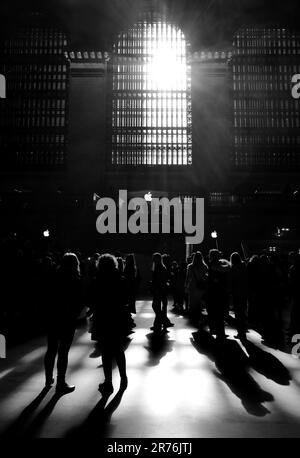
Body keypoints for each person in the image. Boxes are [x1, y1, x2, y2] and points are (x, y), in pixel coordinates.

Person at [44, 252, 83, 394]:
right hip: (68, 320)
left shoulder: (54, 277)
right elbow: (79, 301)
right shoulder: (75, 280)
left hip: (53, 318)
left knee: (51, 349)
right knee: (63, 351)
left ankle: (48, 379)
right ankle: (61, 382)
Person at [92, 253, 129, 395]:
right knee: (119, 349)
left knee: (106, 352)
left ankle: (108, 382)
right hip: (117, 317)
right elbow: (126, 299)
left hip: (102, 318)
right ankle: (123, 378)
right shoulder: (120, 279)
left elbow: (91, 299)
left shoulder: (97, 281)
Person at [206, 249, 231, 340]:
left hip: (212, 292)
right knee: (219, 313)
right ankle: (220, 331)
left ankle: (214, 329)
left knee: (213, 312)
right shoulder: (219, 265)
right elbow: (226, 269)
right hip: (219, 292)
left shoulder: (211, 264)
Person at [185, 251, 208, 323]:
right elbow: (206, 277)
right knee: (199, 302)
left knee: (192, 303)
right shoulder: (204, 266)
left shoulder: (190, 266)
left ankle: (194, 317)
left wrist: (186, 286)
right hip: (201, 286)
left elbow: (188, 277)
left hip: (193, 286)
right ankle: (199, 316)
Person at [229, 252, 248, 340]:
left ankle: (240, 332)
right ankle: (243, 330)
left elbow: (232, 281)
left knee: (238, 313)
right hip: (244, 292)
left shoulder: (233, 268)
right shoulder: (244, 267)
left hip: (237, 293)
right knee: (243, 312)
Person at [151, 253, 171, 332]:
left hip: (159, 290)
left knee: (156, 306)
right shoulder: (161, 267)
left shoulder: (159, 267)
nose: (154, 260)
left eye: (155, 258)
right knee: (158, 306)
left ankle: (160, 323)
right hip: (161, 290)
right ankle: (162, 322)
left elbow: (159, 280)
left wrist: (156, 289)